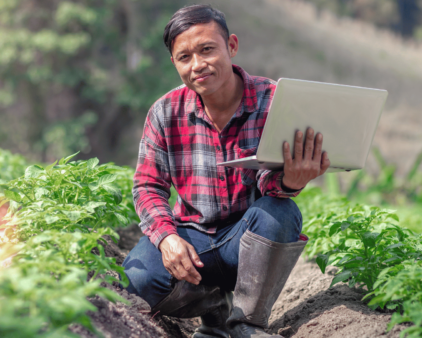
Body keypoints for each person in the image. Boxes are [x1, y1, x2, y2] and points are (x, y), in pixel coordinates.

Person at [122, 5, 330, 338]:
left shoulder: (273, 101)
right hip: (192, 241)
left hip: (248, 242)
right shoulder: (164, 112)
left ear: (231, 46)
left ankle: (246, 322)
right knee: (134, 283)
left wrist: (291, 180)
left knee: (281, 212)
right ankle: (213, 307)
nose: (198, 65)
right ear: (174, 63)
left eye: (207, 49)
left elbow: (270, 181)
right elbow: (148, 186)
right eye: (184, 57)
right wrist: (167, 238)